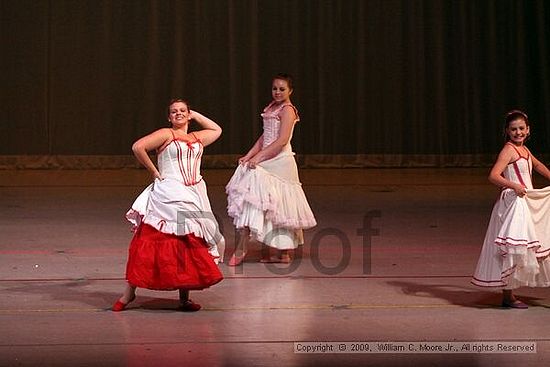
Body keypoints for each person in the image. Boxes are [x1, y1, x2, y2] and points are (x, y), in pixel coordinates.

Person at [112, 99, 224, 312]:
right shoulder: (166, 134)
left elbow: (217, 129)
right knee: (151, 240)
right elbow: (138, 147)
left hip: (193, 193)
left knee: (186, 243)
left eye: (183, 111)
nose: (178, 114)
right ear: (168, 117)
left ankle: (184, 298)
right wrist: (155, 172)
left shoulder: (197, 137)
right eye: (174, 112)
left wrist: (195, 114)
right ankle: (129, 294)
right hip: (170, 191)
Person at [225, 73, 317, 266]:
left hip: (280, 161)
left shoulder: (288, 110)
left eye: (282, 89)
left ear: (290, 91)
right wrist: (250, 155)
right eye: (275, 88)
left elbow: (282, 140)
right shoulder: (271, 107)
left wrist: (259, 158)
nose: (277, 92)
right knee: (261, 200)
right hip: (267, 156)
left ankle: (283, 252)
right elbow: (264, 137)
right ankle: (264, 246)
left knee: (279, 203)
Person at [471, 110, 550, 308]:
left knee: (533, 243)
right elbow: (494, 176)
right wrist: (514, 186)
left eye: (521, 128)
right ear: (507, 131)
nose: (518, 132)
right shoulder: (508, 150)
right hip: (514, 202)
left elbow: (538, 165)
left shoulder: (525, 150)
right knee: (514, 248)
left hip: (526, 200)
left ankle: (509, 295)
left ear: (528, 130)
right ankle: (508, 296)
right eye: (514, 129)